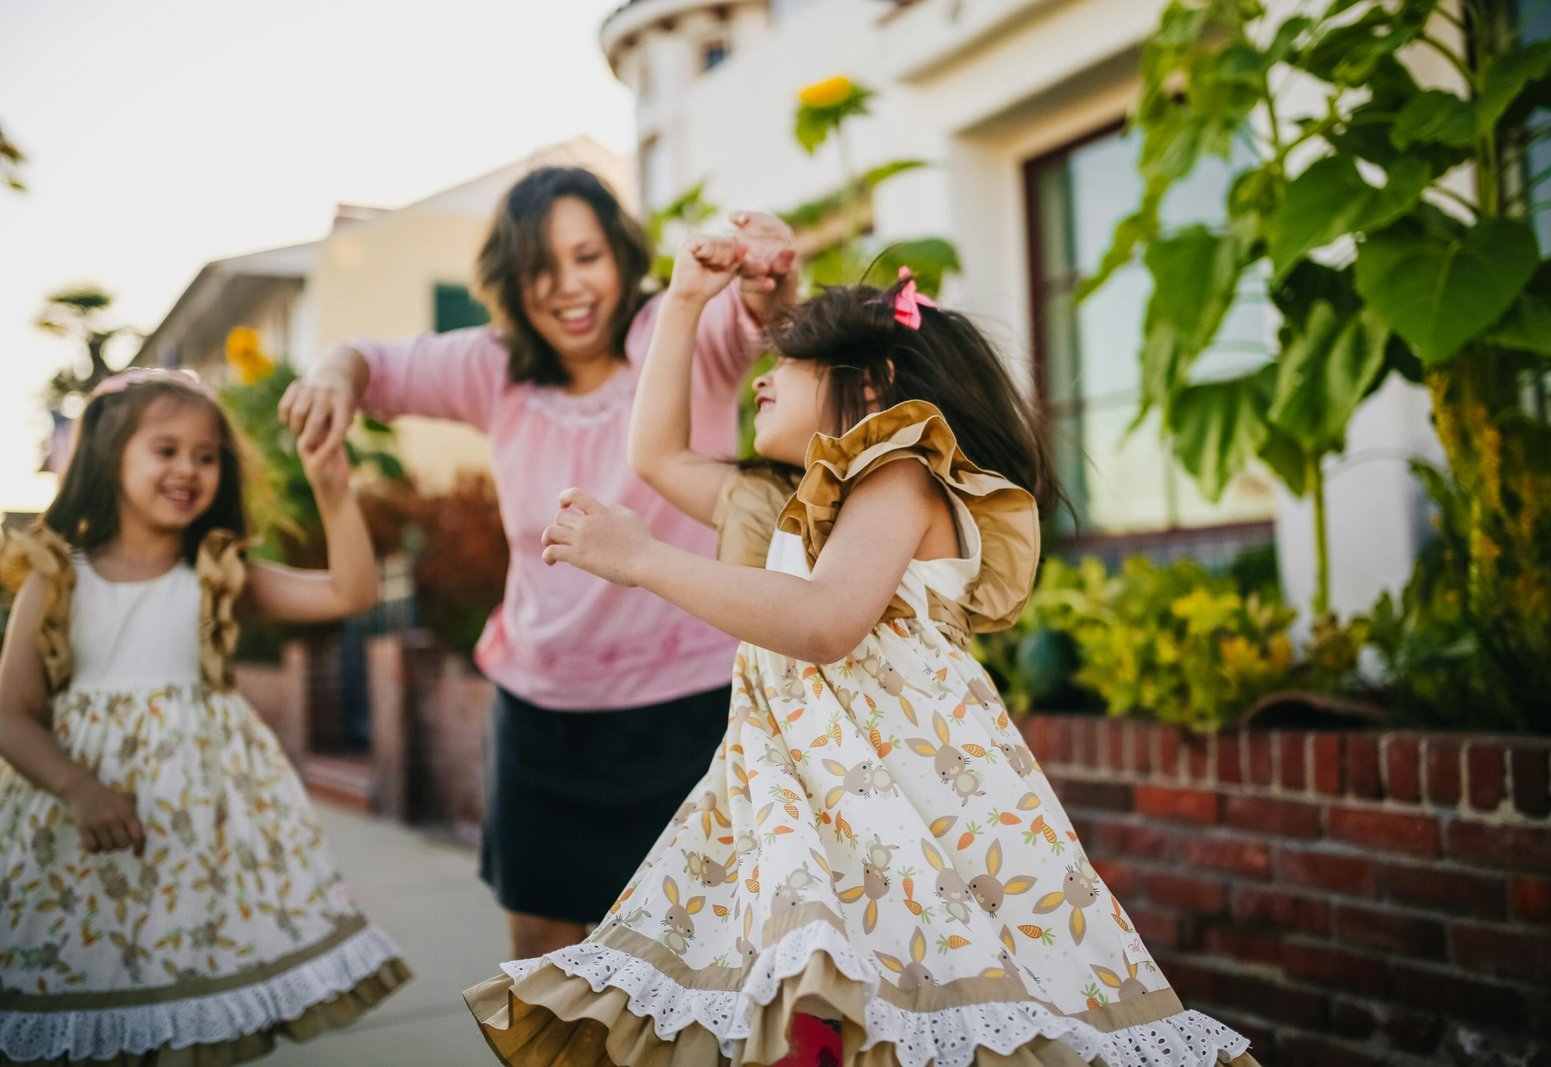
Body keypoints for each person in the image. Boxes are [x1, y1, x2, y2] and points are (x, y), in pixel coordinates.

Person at [462, 238, 1261, 1065]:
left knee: (921, 1011)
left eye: (792, 361)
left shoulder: (903, 473)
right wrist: (685, 303)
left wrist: (646, 561)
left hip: (912, 815)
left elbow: (825, 617)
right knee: (823, 1013)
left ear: (871, 382)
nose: (760, 379)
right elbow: (656, 454)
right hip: (812, 807)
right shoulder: (785, 508)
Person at [277, 166, 796, 960]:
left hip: (697, 710)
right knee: (546, 965)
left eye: (586, 256)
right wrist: (331, 375)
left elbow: (760, 314)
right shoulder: (496, 367)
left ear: (622, 255)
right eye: (539, 268)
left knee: (709, 963)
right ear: (511, 283)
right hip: (542, 717)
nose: (566, 286)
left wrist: (766, 273)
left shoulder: (679, 327)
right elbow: (366, 360)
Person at [0, 370, 409, 1066]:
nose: (189, 467)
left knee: (185, 1005)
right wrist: (78, 787)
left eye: (207, 454)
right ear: (109, 458)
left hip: (198, 842)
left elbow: (353, 589)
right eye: (166, 449)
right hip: (84, 831)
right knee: (92, 986)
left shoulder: (218, 573)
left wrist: (332, 485)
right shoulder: (58, 575)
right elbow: (11, 712)